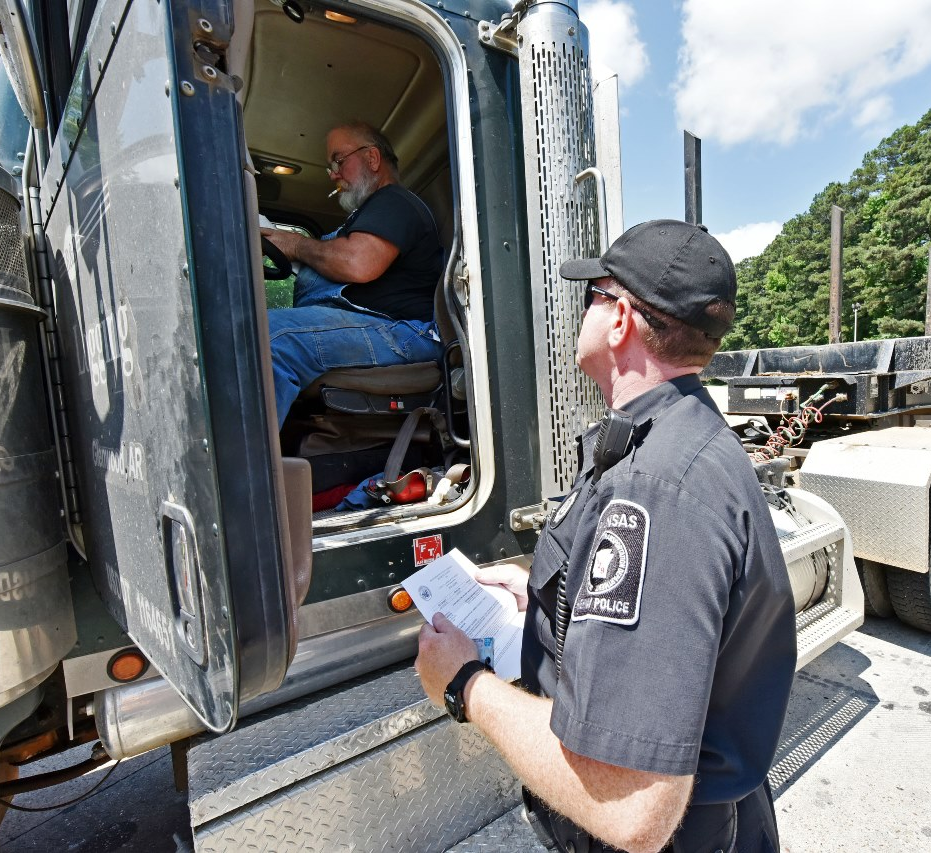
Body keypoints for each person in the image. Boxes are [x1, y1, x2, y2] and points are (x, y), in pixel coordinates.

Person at [415, 220, 797, 852]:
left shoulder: (659, 487)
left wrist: (464, 685)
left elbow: (633, 805)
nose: (582, 310)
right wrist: (541, 598)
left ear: (619, 319)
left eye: (591, 295)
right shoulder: (676, 437)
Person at [260, 121, 444, 423]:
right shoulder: (364, 216)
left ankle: (245, 467)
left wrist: (296, 244)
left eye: (338, 160)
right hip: (379, 325)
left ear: (372, 158)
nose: (333, 173)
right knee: (256, 327)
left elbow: (358, 263)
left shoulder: (394, 200)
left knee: (269, 337)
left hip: (406, 332)